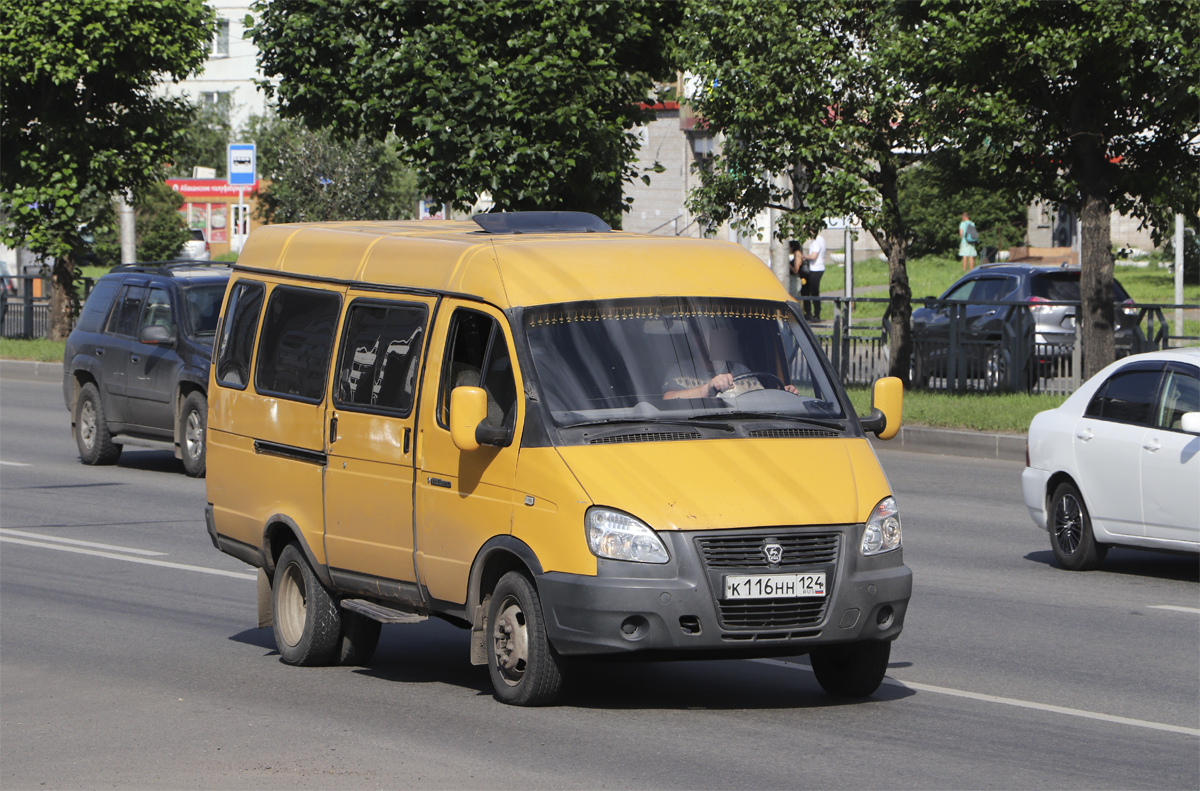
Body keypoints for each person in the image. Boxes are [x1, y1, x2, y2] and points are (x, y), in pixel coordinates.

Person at [662, 328, 798, 399]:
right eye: (716, 333)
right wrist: (708, 389)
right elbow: (669, 399)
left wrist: (781, 395)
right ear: (697, 340)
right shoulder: (681, 372)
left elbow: (762, 401)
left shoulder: (743, 372)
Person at [800, 234, 826, 321]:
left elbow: (813, 256)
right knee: (805, 290)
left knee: (814, 292)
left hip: (816, 269)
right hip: (813, 269)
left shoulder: (817, 241)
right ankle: (808, 313)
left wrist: (804, 256)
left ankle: (816, 315)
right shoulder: (818, 240)